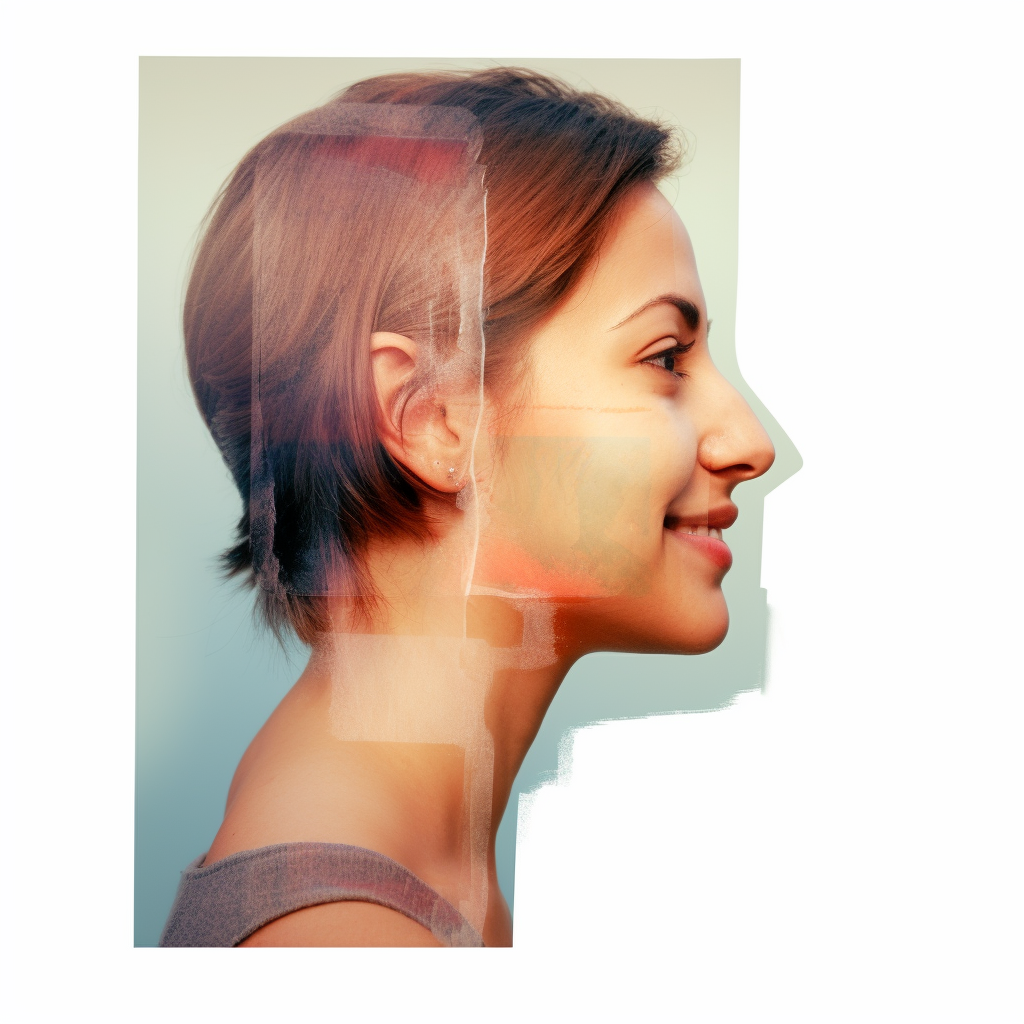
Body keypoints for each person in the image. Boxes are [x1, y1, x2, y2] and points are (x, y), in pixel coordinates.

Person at [159, 67, 775, 948]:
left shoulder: (400, 888)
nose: (750, 443)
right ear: (434, 419)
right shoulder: (346, 950)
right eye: (666, 358)